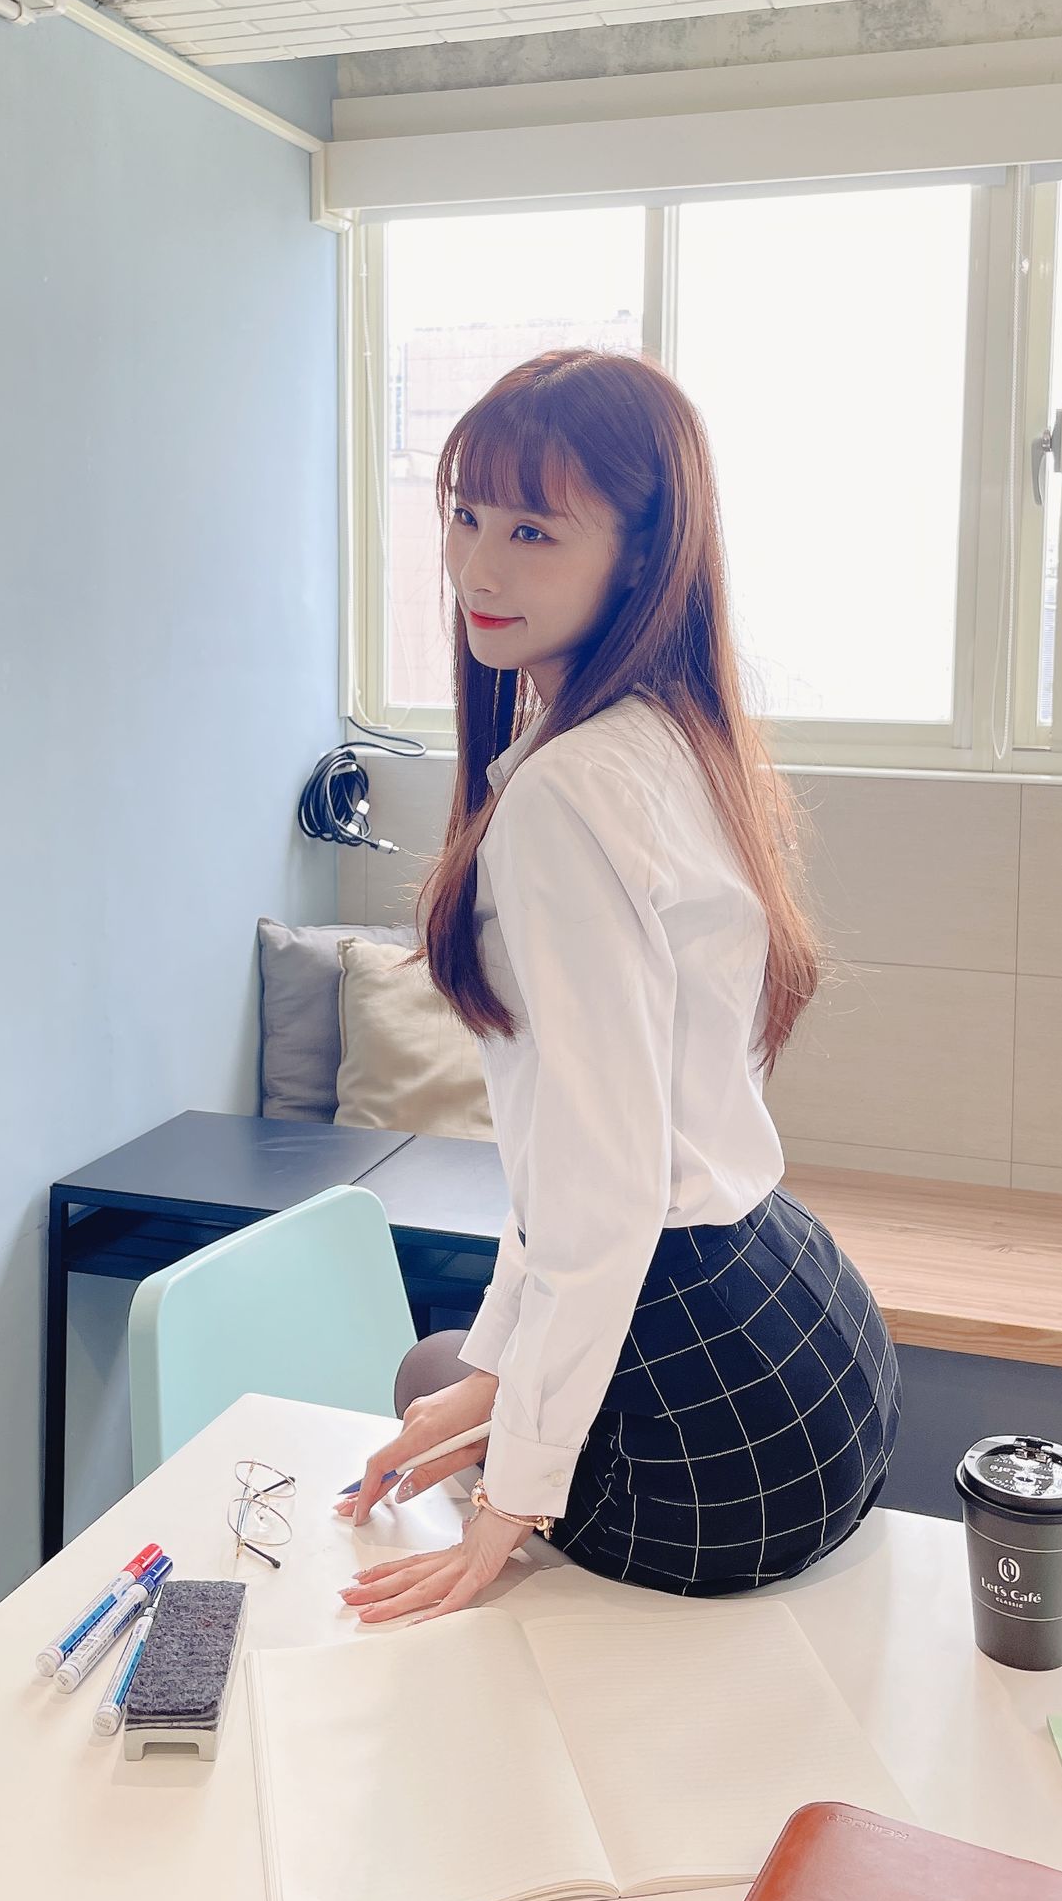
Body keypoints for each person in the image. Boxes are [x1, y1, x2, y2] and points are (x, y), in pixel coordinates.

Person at [335, 349, 900, 1625]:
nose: (478, 570)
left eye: (533, 531)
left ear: (641, 555)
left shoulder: (563, 795)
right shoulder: (674, 736)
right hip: (815, 1340)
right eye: (466, 517)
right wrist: (492, 1384)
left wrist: (510, 1500)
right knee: (448, 1373)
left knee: (427, 1376)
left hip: (718, 1439)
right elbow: (589, 1177)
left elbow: (601, 1189)